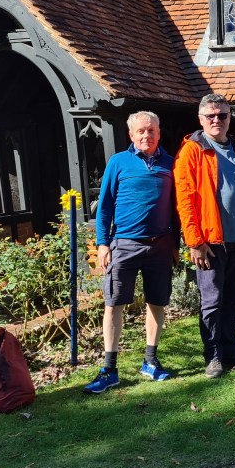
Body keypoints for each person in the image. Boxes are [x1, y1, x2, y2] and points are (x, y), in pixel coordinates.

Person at [85, 111, 179, 394]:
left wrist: (175, 244)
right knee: (113, 304)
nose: (146, 136)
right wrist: (102, 244)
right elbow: (104, 207)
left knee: (157, 302)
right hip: (123, 245)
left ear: (159, 133)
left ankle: (150, 361)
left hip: (160, 245)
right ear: (131, 135)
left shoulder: (171, 164)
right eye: (140, 131)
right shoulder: (118, 162)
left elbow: (176, 208)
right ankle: (110, 369)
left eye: (151, 131)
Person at [174, 94, 235, 379]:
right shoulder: (192, 149)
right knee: (212, 301)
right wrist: (195, 242)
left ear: (228, 118)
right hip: (209, 241)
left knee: (233, 297)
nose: (216, 120)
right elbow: (185, 199)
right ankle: (212, 357)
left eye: (222, 115)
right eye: (210, 116)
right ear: (200, 119)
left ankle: (232, 354)